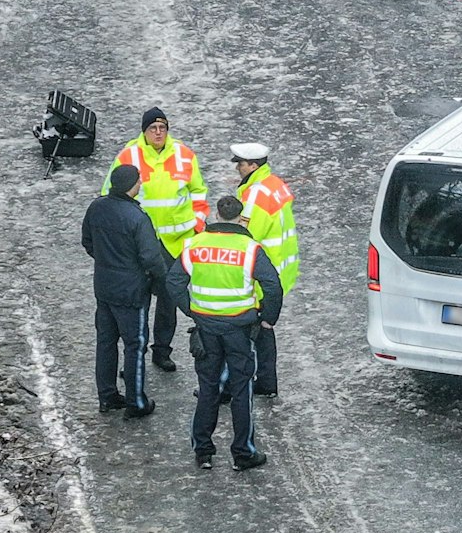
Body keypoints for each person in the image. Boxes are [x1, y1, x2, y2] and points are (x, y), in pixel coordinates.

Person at [171, 196, 282, 471]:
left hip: (206, 327)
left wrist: (191, 310)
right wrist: (268, 318)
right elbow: (272, 285)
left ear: (216, 215)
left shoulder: (194, 244)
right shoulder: (250, 249)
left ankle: (203, 451)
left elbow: (173, 281)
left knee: (208, 388)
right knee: (241, 389)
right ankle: (243, 453)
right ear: (240, 218)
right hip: (239, 329)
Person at [104, 107, 206, 373]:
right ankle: (134, 356)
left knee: (168, 300)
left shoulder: (184, 155)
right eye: (153, 128)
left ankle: (162, 351)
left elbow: (198, 192)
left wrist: (197, 225)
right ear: (144, 131)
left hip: (175, 243)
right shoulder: (129, 155)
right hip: (139, 243)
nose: (158, 133)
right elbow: (110, 195)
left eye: (163, 128)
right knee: (138, 301)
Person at [80, 163, 169, 417]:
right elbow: (151, 258)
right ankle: (136, 402)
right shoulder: (137, 218)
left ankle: (107, 396)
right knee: (135, 345)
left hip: (104, 288)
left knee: (106, 342)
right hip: (131, 293)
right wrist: (159, 281)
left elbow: (86, 240)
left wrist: (105, 260)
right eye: (138, 181)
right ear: (132, 186)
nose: (140, 184)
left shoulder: (97, 207)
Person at [231, 142, 299, 398]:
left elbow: (247, 235)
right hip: (280, 265)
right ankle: (267, 381)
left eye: (241, 163)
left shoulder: (256, 194)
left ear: (253, 165)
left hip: (261, 270)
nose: (238, 168)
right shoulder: (273, 184)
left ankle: (235, 384)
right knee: (265, 325)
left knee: (249, 329)